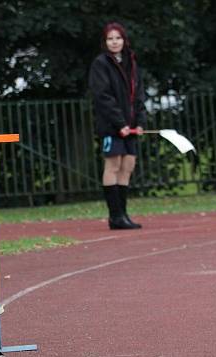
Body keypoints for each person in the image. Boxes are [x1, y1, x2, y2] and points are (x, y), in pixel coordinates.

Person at [88, 22, 147, 230]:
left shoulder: (131, 61)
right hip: (111, 126)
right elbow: (102, 96)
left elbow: (138, 93)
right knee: (112, 166)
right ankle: (115, 217)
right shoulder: (101, 63)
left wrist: (139, 122)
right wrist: (119, 123)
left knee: (128, 166)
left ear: (124, 40)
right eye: (110, 39)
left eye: (118, 38)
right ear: (105, 42)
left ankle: (123, 214)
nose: (115, 42)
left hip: (130, 126)